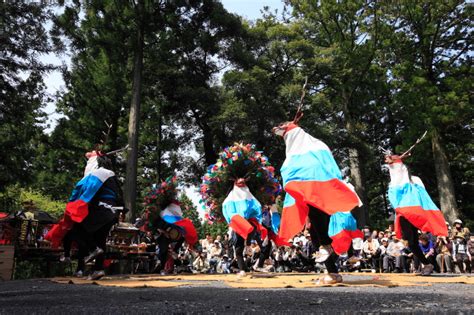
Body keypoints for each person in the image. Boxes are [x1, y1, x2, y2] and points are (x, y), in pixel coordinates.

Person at [273, 115, 363, 284]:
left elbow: (329, 169)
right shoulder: (296, 155)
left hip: (321, 196)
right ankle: (333, 272)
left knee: (321, 236)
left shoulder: (316, 148)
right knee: (315, 238)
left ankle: (336, 252)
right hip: (311, 197)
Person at [46, 150, 124, 280]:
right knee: (100, 239)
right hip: (112, 211)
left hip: (102, 209)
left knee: (77, 228)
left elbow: (80, 192)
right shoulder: (111, 175)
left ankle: (92, 250)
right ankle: (98, 269)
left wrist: (73, 207)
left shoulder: (98, 173)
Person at [384, 152, 448, 275]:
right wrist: (393, 159)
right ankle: (428, 265)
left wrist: (395, 159)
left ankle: (428, 264)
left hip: (414, 213)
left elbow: (423, 196)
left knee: (411, 242)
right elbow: (394, 170)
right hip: (404, 213)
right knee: (411, 243)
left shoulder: (414, 181)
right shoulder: (395, 183)